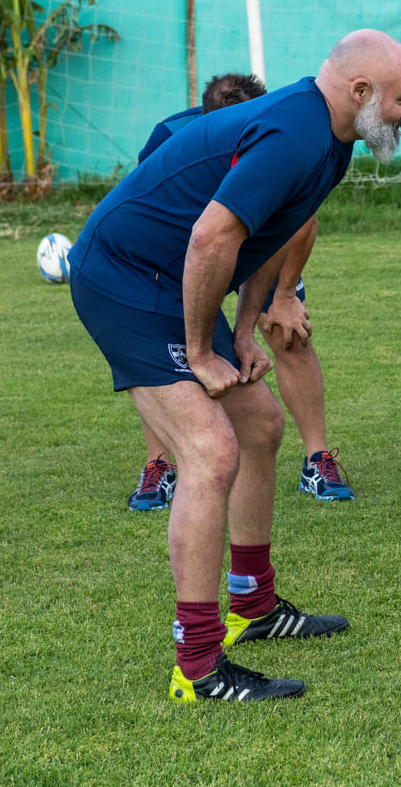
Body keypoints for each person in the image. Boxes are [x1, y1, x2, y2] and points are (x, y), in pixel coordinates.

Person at [68, 30, 401, 704]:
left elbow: (271, 232)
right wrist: (202, 350)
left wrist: (248, 323)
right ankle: (197, 667)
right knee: (211, 448)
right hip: (124, 278)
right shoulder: (294, 133)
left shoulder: (333, 143)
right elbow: (210, 235)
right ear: (360, 92)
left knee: (258, 422)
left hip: (171, 279)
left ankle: (253, 606)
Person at [126, 72, 269, 510]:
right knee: (161, 363)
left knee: (288, 335)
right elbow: (144, 211)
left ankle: (316, 459)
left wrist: (272, 305)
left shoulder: (275, 143)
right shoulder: (169, 137)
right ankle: (159, 466)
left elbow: (297, 222)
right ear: (206, 121)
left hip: (252, 247)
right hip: (173, 262)